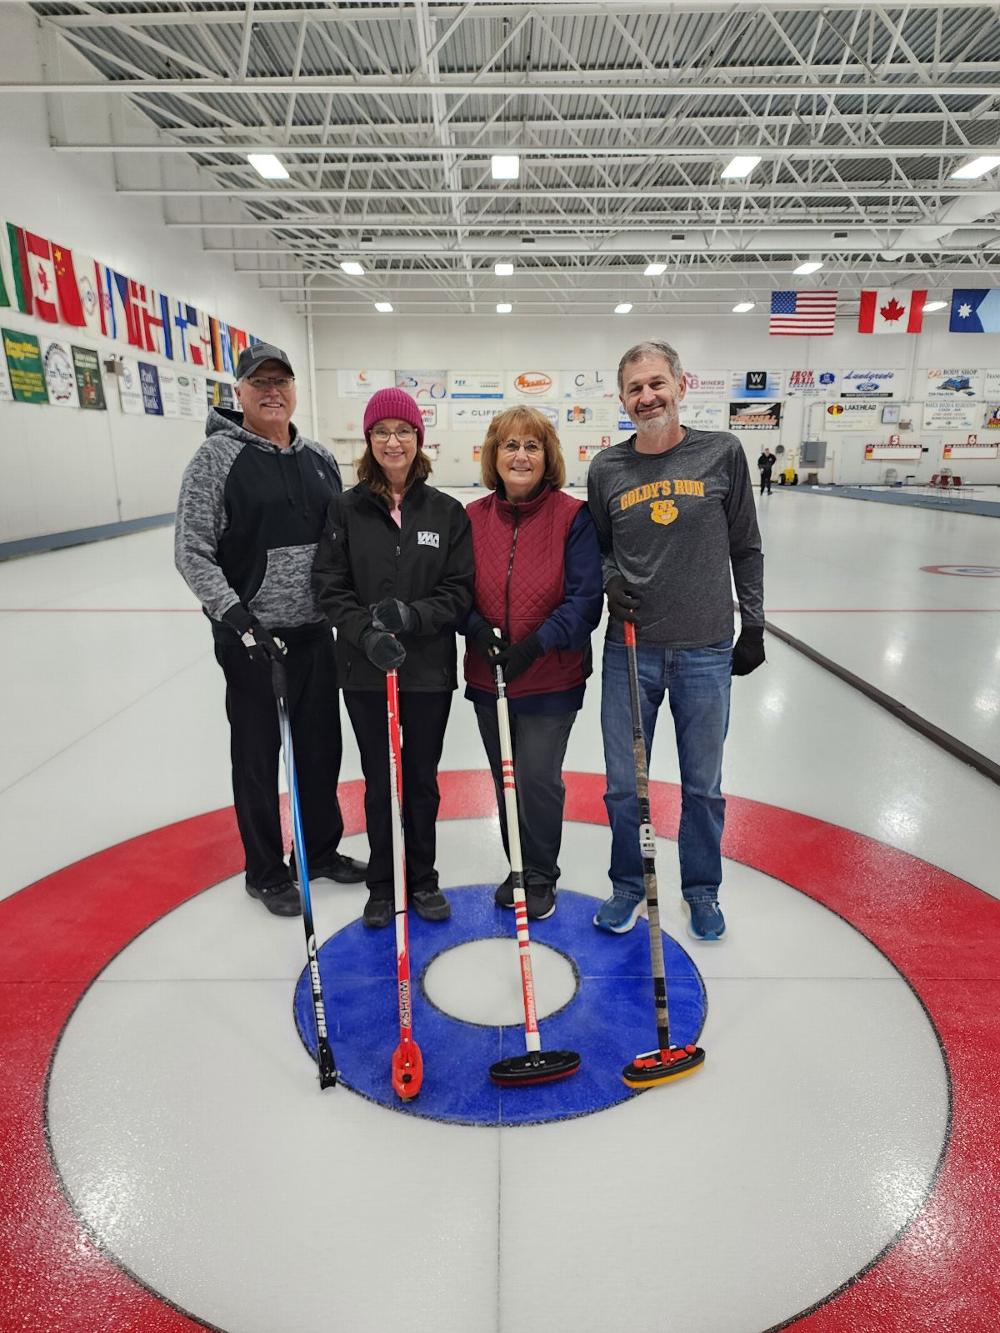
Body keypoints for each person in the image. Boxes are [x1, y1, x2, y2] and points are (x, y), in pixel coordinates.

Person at [175, 342, 367, 918]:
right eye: (259, 383)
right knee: (259, 757)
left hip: (315, 634)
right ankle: (264, 869)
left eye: (281, 380)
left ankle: (320, 850)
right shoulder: (215, 459)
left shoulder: (319, 459)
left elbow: (342, 544)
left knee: (319, 749)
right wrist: (239, 619)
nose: (272, 391)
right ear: (239, 392)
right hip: (251, 639)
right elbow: (192, 551)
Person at [587, 340, 764, 942]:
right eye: (635, 388)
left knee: (702, 785)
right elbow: (602, 547)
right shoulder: (607, 468)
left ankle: (701, 889)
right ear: (622, 399)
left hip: (707, 651)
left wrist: (755, 624)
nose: (648, 396)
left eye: (657, 383)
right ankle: (628, 886)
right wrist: (612, 582)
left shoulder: (723, 453)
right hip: (630, 652)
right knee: (621, 783)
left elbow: (746, 544)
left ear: (681, 387)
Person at [312, 387, 473, 929]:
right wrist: (366, 634)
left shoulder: (447, 512)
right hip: (364, 673)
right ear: (368, 441)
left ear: (419, 438)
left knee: (421, 780)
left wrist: (412, 618)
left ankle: (422, 879)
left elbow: (458, 591)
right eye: (381, 431)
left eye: (403, 431)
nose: (392, 441)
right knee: (380, 782)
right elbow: (330, 586)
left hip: (427, 673)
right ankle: (383, 883)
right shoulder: (345, 508)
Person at [463, 407, 603, 920]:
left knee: (536, 777)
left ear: (549, 457)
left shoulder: (573, 517)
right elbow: (455, 589)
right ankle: (518, 866)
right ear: (493, 456)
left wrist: (534, 646)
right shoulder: (472, 518)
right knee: (506, 778)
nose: (521, 455)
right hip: (488, 677)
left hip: (550, 677)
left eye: (532, 446)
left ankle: (541, 873)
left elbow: (585, 599)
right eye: (510, 445)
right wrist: (476, 629)